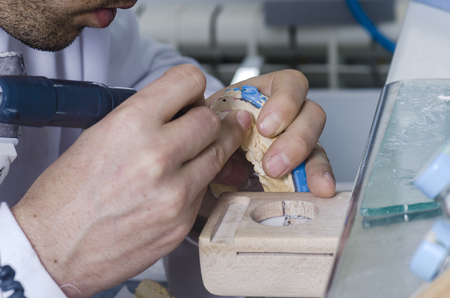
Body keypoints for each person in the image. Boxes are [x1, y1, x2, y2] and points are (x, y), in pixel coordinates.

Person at [0, 0, 336, 297]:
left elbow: (142, 72)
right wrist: (45, 251)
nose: (129, 3)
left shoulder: (80, 18)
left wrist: (210, 165)